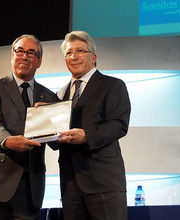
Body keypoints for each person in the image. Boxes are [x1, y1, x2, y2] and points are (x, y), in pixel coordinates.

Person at [57, 30, 131, 220]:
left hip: (104, 182)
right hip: (70, 183)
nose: (74, 57)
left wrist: (86, 136)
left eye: (80, 51)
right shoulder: (59, 95)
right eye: (69, 53)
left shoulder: (113, 85)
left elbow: (119, 125)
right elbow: (54, 140)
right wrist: (41, 121)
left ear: (94, 57)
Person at [0, 34, 58, 220]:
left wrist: (52, 119)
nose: (24, 56)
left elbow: (57, 141)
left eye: (31, 52)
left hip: (31, 187)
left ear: (39, 61)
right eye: (20, 51)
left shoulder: (49, 97)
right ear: (12, 55)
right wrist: (7, 141)